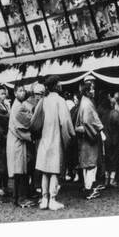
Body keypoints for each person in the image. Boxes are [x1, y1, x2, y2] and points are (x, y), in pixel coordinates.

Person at [31, 75, 75, 210]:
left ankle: (44, 199)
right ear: (56, 85)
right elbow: (66, 122)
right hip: (56, 139)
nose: (61, 84)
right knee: (55, 170)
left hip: (44, 138)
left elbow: (34, 122)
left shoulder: (43, 101)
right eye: (59, 82)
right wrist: (70, 136)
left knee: (45, 170)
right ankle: (53, 199)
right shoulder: (60, 101)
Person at [75, 78, 105, 200]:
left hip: (85, 137)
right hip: (89, 137)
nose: (93, 90)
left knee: (87, 164)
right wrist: (96, 133)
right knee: (91, 164)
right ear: (87, 91)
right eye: (91, 88)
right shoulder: (87, 103)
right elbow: (88, 121)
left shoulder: (84, 101)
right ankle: (89, 189)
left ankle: (88, 187)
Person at [7, 83, 35, 208]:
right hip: (18, 142)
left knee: (20, 171)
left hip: (17, 141)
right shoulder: (18, 107)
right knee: (19, 171)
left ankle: (17, 197)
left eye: (24, 90)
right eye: (20, 90)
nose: (22, 92)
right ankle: (20, 198)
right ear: (15, 93)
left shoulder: (18, 105)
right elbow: (28, 122)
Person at [104, 92, 119, 187]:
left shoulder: (105, 113)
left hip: (107, 139)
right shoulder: (115, 114)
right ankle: (112, 180)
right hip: (114, 139)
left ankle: (106, 180)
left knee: (107, 159)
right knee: (114, 160)